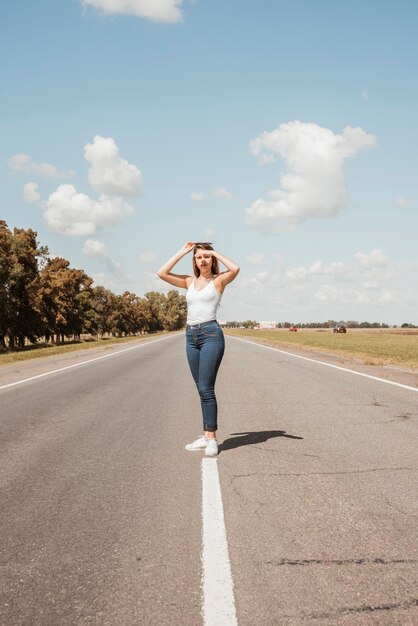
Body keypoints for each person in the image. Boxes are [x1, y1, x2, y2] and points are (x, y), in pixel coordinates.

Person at [157, 242, 240, 456]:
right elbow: (162, 272)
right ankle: (205, 436)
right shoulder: (188, 282)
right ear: (194, 261)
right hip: (190, 336)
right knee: (200, 388)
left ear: (212, 260)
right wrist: (183, 252)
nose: (203, 260)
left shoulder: (219, 281)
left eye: (206, 257)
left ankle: (211, 439)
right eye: (198, 257)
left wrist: (213, 251)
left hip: (211, 334)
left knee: (206, 389)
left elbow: (236, 269)